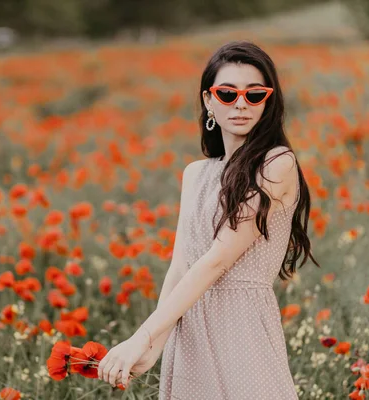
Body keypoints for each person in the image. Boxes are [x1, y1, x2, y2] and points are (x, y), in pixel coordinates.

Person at [96, 40, 320, 399]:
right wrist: (154, 345)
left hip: (243, 327)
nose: (241, 103)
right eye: (228, 93)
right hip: (190, 326)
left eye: (255, 94)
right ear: (208, 100)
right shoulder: (196, 173)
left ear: (268, 100)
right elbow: (181, 265)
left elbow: (217, 259)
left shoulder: (277, 163)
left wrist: (143, 335)